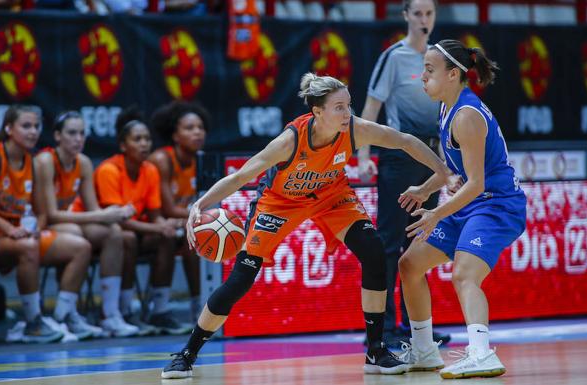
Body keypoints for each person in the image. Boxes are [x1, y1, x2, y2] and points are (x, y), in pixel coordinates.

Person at [161, 72, 452, 379]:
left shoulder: (354, 130)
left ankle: (376, 350)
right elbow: (240, 177)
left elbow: (405, 141)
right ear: (317, 112)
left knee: (374, 252)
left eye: (349, 105)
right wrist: (201, 203)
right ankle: (186, 354)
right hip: (279, 203)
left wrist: (444, 171)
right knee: (241, 279)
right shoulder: (290, 140)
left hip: (331, 195)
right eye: (339, 107)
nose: (348, 113)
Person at [397, 39, 526, 378]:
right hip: (469, 204)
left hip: (496, 205)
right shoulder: (446, 107)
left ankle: (482, 354)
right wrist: (425, 189)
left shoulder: (466, 116)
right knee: (410, 265)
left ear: (453, 74)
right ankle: (425, 351)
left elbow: (477, 184)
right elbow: (457, 173)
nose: (422, 77)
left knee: (465, 275)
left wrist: (436, 212)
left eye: (429, 70)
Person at [358, 0, 450, 347]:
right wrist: (364, 154)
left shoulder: (440, 58)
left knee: (420, 244)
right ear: (406, 16)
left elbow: (444, 113)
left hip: (430, 158)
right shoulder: (394, 57)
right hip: (398, 156)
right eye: (418, 13)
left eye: (429, 13)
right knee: (389, 243)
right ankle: (383, 329)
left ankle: (417, 330)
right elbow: (371, 107)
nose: (424, 19)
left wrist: (447, 164)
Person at [34, 111, 139, 337]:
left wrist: (115, 213)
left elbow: (93, 210)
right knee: (77, 233)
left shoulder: (83, 162)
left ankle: (110, 315)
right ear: (57, 136)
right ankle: (63, 316)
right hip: (40, 224)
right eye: (72, 133)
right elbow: (51, 215)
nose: (78, 138)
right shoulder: (45, 161)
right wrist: (102, 215)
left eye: (82, 133)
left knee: (113, 232)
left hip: (68, 223)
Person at [87, 108, 190, 335]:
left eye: (147, 139)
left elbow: (155, 215)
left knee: (166, 239)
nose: (144, 144)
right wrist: (159, 226)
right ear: (123, 146)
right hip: (99, 231)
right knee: (128, 238)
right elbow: (116, 221)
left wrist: (168, 225)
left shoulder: (150, 170)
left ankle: (159, 310)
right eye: (137, 139)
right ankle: (123, 311)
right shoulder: (109, 170)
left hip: (136, 230)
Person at [0, 105, 93, 342]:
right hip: (2, 234)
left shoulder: (34, 162)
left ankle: (62, 317)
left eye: (36, 126)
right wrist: (10, 229)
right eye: (26, 126)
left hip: (20, 236)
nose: (33, 132)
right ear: (9, 128)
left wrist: (36, 228)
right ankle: (32, 321)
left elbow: (42, 212)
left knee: (81, 247)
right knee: (28, 246)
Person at [149, 101, 210, 322]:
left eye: (200, 127)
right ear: (175, 135)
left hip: (179, 226)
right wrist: (205, 215)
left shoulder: (201, 160)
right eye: (189, 128)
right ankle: (160, 309)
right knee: (186, 234)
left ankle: (200, 307)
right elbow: (167, 209)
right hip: (149, 224)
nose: (197, 132)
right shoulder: (162, 159)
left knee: (196, 237)